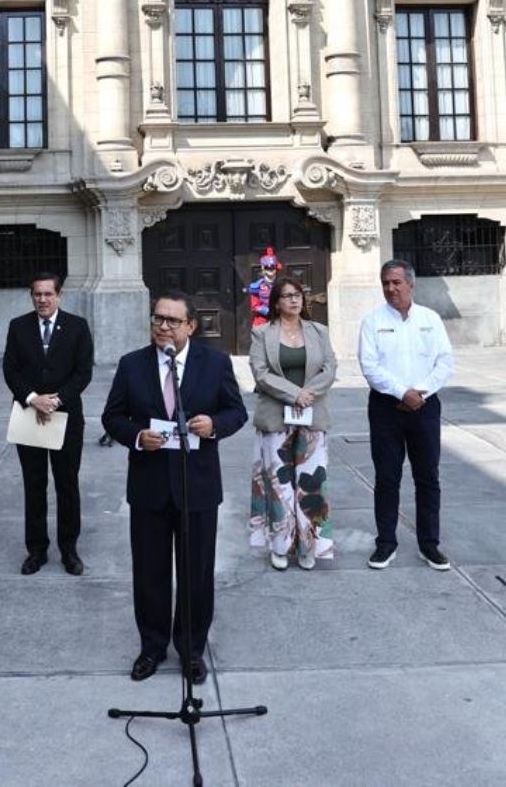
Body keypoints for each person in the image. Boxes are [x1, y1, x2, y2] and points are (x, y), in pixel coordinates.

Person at [101, 289, 247, 685]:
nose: (163, 327)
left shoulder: (214, 363)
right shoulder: (132, 364)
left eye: (172, 321)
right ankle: (151, 647)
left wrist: (214, 425)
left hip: (196, 485)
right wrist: (136, 435)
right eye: (157, 319)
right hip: (148, 485)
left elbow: (237, 412)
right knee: (150, 572)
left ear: (191, 326)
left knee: (196, 572)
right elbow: (112, 416)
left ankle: (191, 649)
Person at [357, 259, 455, 572]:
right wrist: (402, 393)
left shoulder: (430, 319)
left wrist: (420, 392)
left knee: (428, 477)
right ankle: (386, 543)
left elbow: (444, 362)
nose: (390, 288)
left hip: (424, 408)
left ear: (411, 284)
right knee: (387, 478)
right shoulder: (372, 322)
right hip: (387, 409)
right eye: (386, 282)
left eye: (397, 282)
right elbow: (370, 366)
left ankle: (430, 545)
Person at [3, 271, 95, 576]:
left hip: (66, 417)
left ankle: (69, 550)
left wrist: (55, 401)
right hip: (28, 415)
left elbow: (83, 372)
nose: (42, 299)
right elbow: (10, 370)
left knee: (67, 485)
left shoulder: (77, 327)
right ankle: (37, 551)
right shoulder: (18, 327)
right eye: (37, 294)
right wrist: (33, 398)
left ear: (59, 295)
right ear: (32, 296)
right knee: (34, 485)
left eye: (48, 294)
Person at [247, 275, 338, 571]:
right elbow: (260, 373)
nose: (294, 299)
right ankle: (280, 546)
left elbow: (330, 366)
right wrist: (294, 394)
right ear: (276, 302)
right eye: (287, 296)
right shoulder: (263, 334)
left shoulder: (319, 331)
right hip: (276, 416)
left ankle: (309, 545)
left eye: (298, 294)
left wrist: (308, 394)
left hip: (312, 416)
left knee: (313, 485)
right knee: (278, 484)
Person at [245, 248, 279, 329]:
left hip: (280, 319)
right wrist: (267, 311)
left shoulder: (282, 284)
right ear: (263, 268)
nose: (270, 269)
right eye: (267, 267)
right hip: (262, 321)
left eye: (273, 267)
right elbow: (255, 306)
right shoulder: (257, 286)